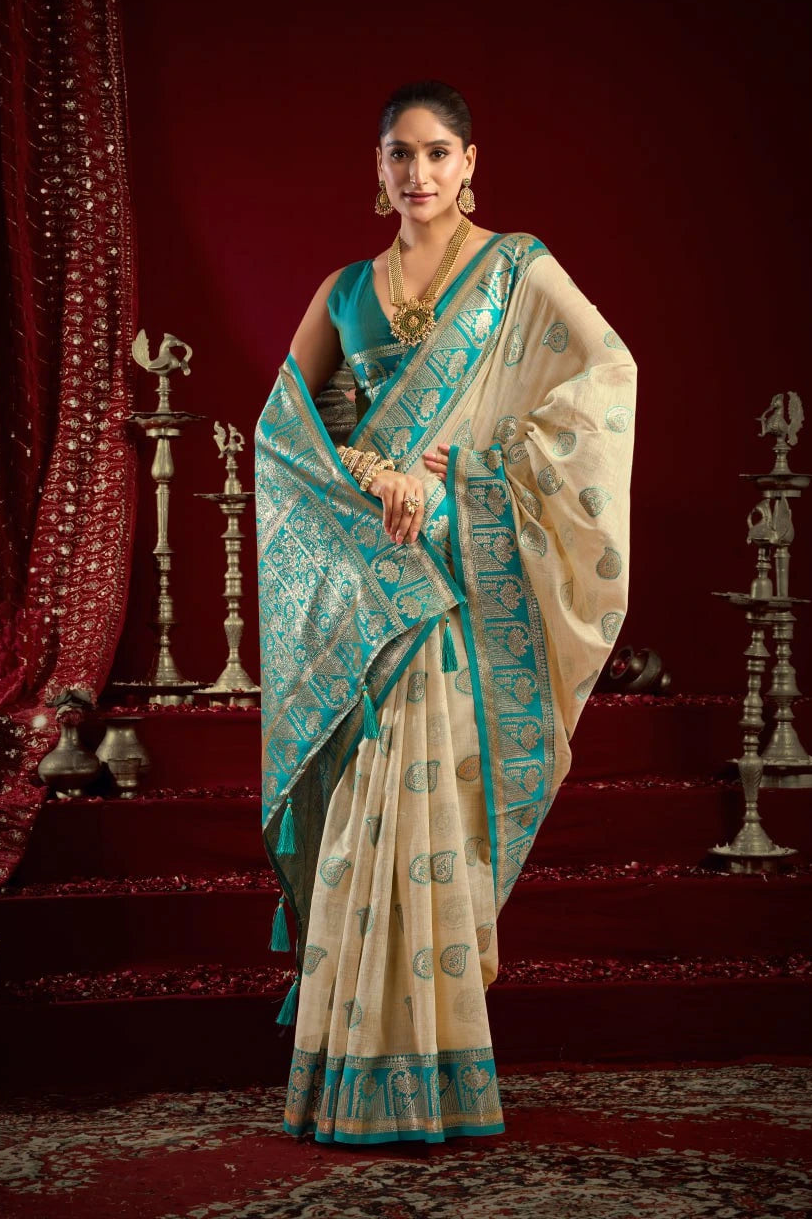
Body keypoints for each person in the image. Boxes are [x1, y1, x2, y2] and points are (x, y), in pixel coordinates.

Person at [255, 80, 637, 1144]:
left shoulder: (516, 269)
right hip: (368, 589)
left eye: (434, 153)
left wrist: (464, 468)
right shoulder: (343, 290)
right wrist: (362, 476)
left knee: (433, 804)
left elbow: (605, 378)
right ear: (374, 168)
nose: (415, 174)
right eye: (395, 154)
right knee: (367, 801)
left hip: (455, 584)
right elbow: (282, 435)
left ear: (470, 162)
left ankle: (430, 1059)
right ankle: (350, 1062)